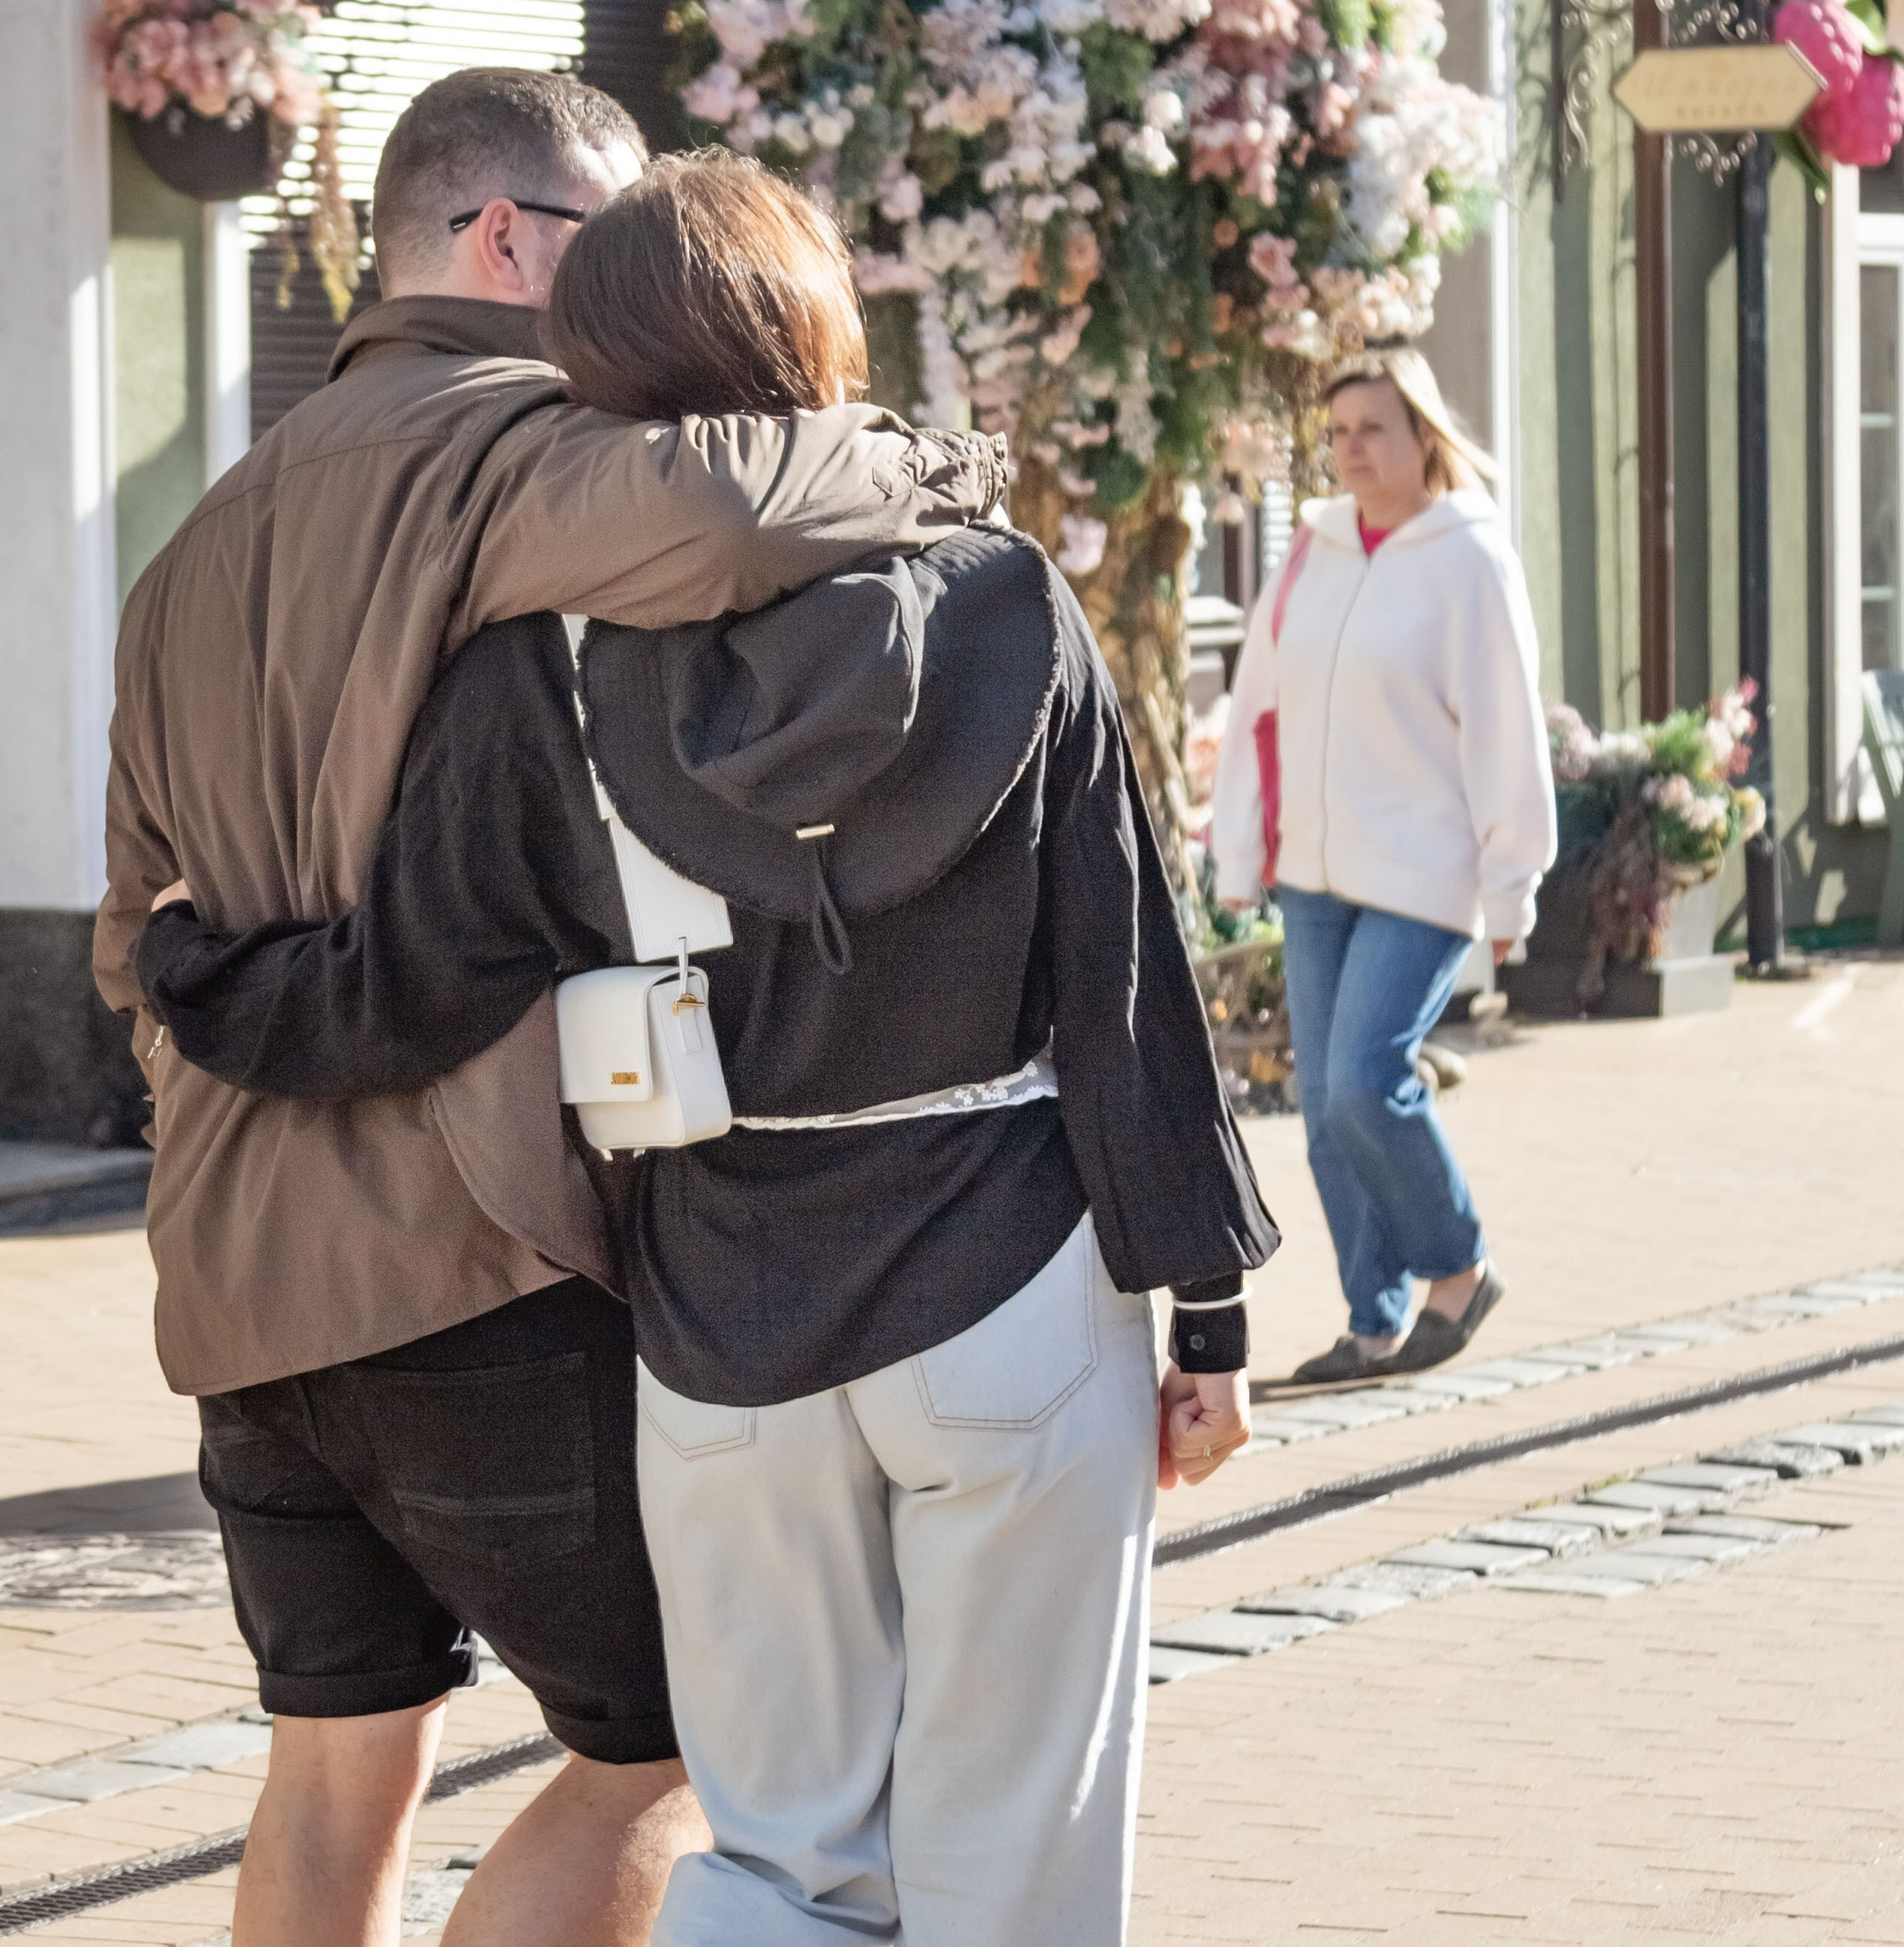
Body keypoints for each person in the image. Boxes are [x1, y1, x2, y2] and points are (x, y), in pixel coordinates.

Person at [139, 151, 1280, 1947]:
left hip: (726, 1304)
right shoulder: (1008, 603)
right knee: (1017, 1846)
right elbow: (1126, 981)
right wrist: (1202, 1314)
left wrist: (191, 972)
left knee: (773, 1852)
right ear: (820, 333)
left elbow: (402, 985)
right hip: (1008, 1275)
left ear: (594, 371)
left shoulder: (539, 666)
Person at [1212, 346, 1554, 1387]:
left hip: (1422, 873)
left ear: (1423, 440)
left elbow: (1505, 727)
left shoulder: (1468, 558)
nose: (1352, 449)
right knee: (1323, 1112)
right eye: (1339, 431)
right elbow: (1257, 710)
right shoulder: (1311, 550)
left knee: (1366, 1083)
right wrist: (1239, 850)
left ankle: (1459, 1267)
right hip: (1314, 872)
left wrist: (1511, 882)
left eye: (1374, 429)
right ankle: (1374, 1322)